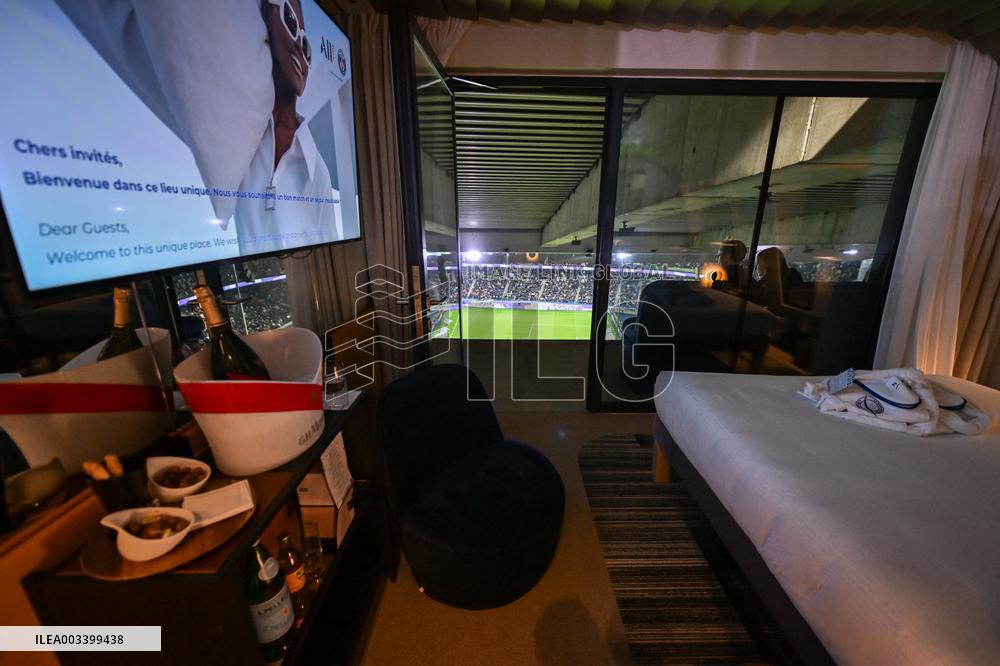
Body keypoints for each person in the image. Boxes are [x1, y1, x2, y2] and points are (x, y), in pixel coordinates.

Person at [233, 0, 340, 255]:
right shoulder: (236, 125)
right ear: (269, 19)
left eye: (307, 48)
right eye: (291, 22)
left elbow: (329, 237)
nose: (300, 54)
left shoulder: (318, 171)